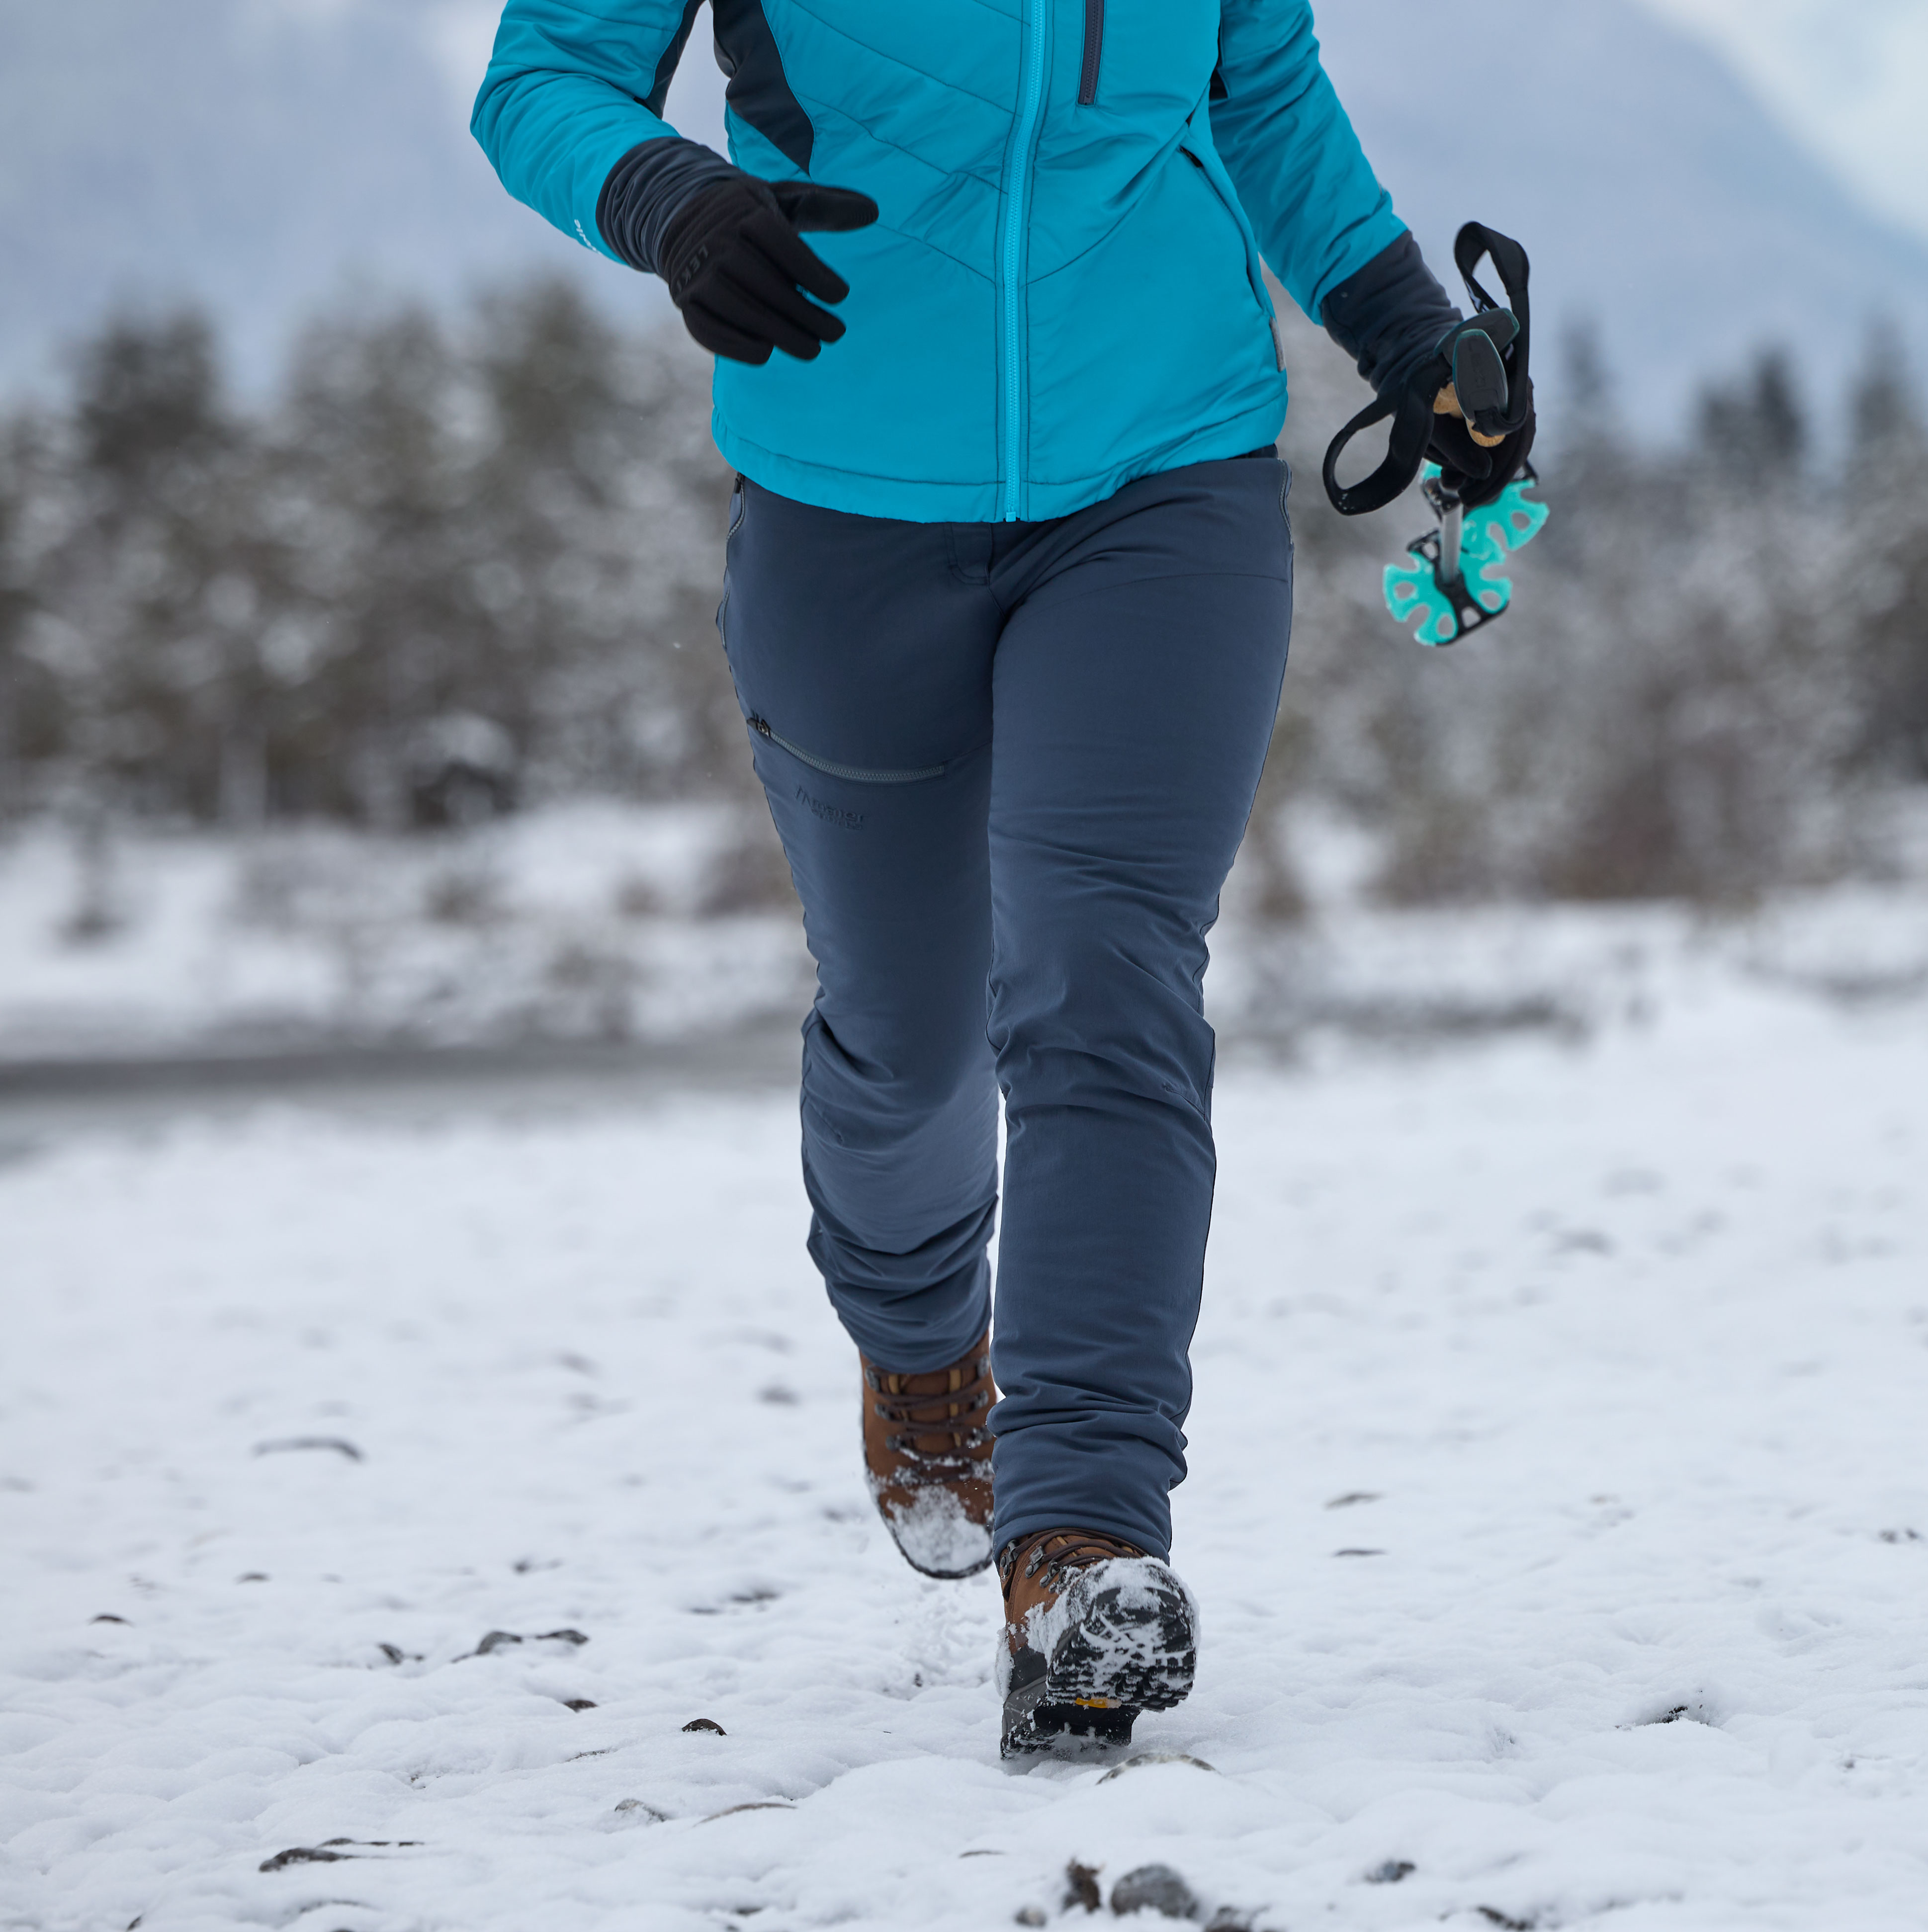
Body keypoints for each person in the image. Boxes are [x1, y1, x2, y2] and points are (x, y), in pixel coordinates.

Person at [472, 0, 1530, 1753]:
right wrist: (664, 195)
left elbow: (1256, 86)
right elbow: (543, 80)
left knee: (1104, 974)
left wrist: (1408, 333)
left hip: (1162, 476)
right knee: (908, 1036)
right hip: (842, 493)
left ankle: (1087, 1546)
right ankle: (914, 1332)